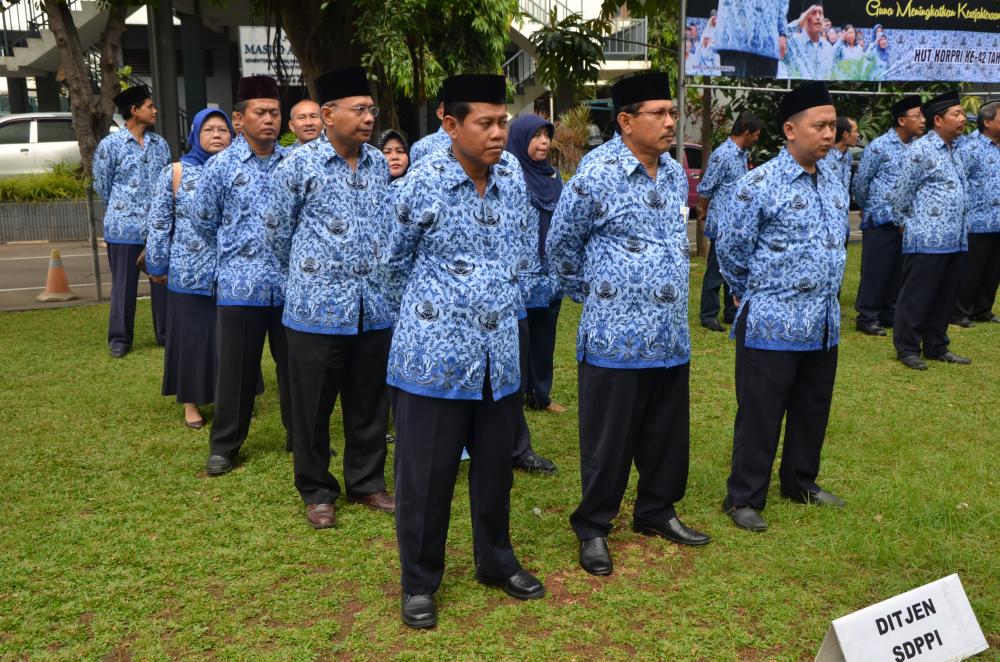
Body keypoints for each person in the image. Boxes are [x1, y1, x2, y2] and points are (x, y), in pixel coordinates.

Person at [385, 74, 545, 630]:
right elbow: (390, 264)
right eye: (486, 123)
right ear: (451, 125)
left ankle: (495, 560)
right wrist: (431, 317)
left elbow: (521, 253)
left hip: (498, 355)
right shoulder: (422, 183)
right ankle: (419, 581)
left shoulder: (512, 180)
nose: (499, 133)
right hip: (434, 358)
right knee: (427, 477)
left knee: (496, 468)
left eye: (503, 122)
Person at [549, 72, 710, 578]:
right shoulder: (598, 173)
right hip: (614, 336)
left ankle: (657, 510)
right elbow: (561, 246)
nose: (670, 121)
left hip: (669, 334)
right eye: (658, 113)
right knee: (609, 440)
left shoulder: (674, 171)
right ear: (625, 120)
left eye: (671, 112)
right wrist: (599, 295)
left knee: (666, 432)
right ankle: (594, 526)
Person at [717, 82, 849, 533]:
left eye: (832, 125)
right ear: (790, 130)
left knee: (813, 406)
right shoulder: (758, 184)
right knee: (761, 412)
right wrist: (748, 291)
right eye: (820, 126)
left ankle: (800, 481)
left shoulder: (833, 179)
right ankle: (744, 497)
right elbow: (731, 249)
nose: (829, 134)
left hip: (823, 321)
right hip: (772, 321)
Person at [269, 67, 395, 528]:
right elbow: (277, 232)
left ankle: (367, 482)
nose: (369, 118)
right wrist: (311, 276)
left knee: (369, 403)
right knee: (312, 407)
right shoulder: (297, 165)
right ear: (327, 115)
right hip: (316, 309)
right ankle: (317, 489)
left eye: (371, 110)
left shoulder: (378, 163)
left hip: (373, 306)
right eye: (358, 110)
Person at [193, 75, 294, 475]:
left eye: (275, 112)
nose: (270, 120)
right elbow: (203, 221)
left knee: (296, 370)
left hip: (290, 287)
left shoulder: (295, 163)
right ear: (239, 119)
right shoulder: (220, 167)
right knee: (236, 372)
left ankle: (301, 437)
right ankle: (225, 446)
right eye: (261, 112)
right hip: (240, 286)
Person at [145, 109, 234, 429]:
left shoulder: (239, 170)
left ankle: (230, 398)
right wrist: (157, 265)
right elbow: (159, 222)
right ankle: (191, 403)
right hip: (187, 272)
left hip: (233, 273)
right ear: (195, 134)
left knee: (229, 341)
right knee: (191, 339)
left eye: (222, 129)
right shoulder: (176, 172)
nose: (216, 135)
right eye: (208, 129)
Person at [890, 91, 970, 370]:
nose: (963, 118)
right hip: (927, 237)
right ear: (938, 119)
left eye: (963, 113)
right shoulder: (921, 150)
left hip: (955, 238)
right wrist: (904, 223)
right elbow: (902, 192)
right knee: (917, 296)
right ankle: (907, 348)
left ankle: (936, 345)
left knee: (945, 296)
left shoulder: (954, 149)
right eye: (957, 114)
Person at [92, 85, 171, 359]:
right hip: (123, 228)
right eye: (149, 106)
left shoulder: (160, 144)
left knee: (161, 282)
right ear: (134, 110)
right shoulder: (110, 146)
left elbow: (166, 181)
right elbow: (102, 186)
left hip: (157, 228)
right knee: (123, 286)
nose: (155, 110)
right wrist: (123, 209)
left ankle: (166, 334)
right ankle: (120, 339)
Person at [507, 114, 566, 417]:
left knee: (545, 336)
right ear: (520, 139)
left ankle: (539, 394)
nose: (544, 142)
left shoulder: (553, 177)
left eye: (546, 136)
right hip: (520, 273)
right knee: (517, 337)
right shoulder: (508, 176)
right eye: (536, 136)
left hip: (549, 273)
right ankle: (514, 396)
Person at [853, 96, 925, 336]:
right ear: (902, 120)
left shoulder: (918, 147)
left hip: (907, 220)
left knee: (898, 270)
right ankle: (867, 316)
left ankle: (889, 313)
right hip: (880, 218)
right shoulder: (879, 146)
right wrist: (867, 207)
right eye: (918, 116)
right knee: (876, 270)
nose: (923, 120)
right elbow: (861, 182)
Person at [697, 111, 762, 332]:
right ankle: (708, 314)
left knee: (733, 268)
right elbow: (706, 188)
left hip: (737, 224)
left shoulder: (743, 154)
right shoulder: (722, 155)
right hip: (722, 224)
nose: (757, 139)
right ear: (747, 132)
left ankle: (731, 311)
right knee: (716, 270)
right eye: (756, 135)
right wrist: (703, 211)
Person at [954, 102, 1000, 324]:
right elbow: (958, 181)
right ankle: (959, 311)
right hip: (976, 220)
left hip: (998, 220)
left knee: (993, 270)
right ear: (987, 122)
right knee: (971, 271)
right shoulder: (970, 148)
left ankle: (983, 309)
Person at [712, 0, 789, 78]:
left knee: (766, 85)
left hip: (768, 38)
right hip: (733, 36)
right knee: (735, 83)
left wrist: (782, 32)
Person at [783, 3, 834, 80]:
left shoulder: (828, 47)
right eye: (813, 13)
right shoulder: (792, 42)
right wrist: (798, 23)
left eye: (820, 13)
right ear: (804, 16)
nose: (818, 17)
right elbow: (777, 38)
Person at [820, 115, 857, 194]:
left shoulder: (848, 156)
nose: (857, 135)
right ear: (845, 134)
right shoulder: (824, 156)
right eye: (855, 131)